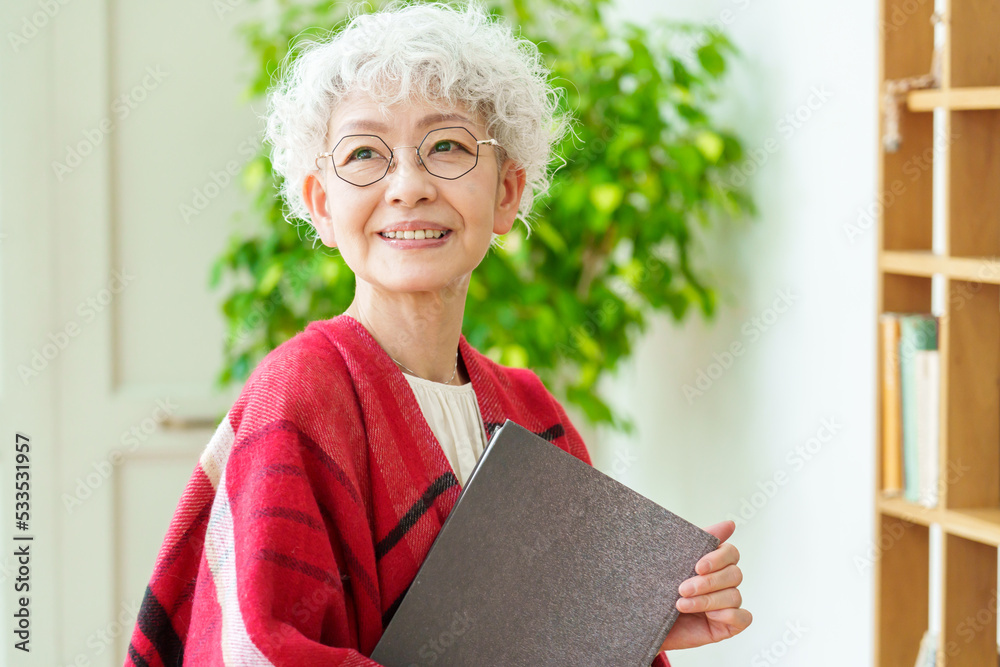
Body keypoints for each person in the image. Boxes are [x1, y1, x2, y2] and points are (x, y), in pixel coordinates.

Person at [125, 2, 751, 665]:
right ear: (321, 205)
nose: (408, 186)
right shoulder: (300, 392)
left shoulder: (535, 412)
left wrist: (629, 623)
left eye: (447, 146)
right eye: (365, 153)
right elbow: (259, 650)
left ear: (508, 192)